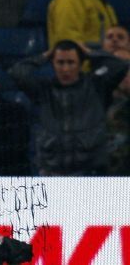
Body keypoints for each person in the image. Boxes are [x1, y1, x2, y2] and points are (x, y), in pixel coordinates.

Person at [8, 40, 128, 176]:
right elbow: (17, 72)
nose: (65, 68)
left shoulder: (96, 85)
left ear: (80, 64)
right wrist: (46, 55)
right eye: (60, 62)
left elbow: (120, 65)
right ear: (53, 64)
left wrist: (88, 52)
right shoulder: (42, 89)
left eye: (71, 62)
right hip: (52, 173)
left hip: (90, 173)